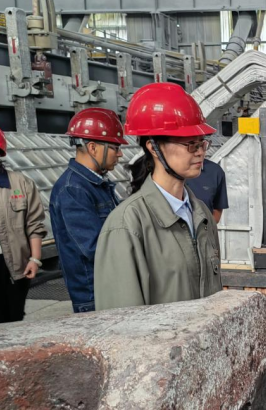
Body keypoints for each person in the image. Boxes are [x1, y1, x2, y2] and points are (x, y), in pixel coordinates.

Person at [94, 83, 222, 310]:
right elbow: (121, 320)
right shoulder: (127, 224)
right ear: (153, 148)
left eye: (202, 143)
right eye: (191, 144)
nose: (201, 152)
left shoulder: (201, 214)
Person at [49, 108, 126, 313]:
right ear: (92, 148)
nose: (120, 154)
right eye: (115, 147)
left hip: (108, 286)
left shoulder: (95, 184)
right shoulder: (73, 189)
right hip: (95, 294)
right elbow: (95, 247)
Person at [0, 125, 46, 323]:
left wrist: (35, 259)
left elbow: (34, 224)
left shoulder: (20, 183)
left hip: (15, 265)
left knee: (14, 318)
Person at [187, 158, 229, 223]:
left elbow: (217, 210)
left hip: (204, 227)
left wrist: (206, 227)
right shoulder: (171, 170)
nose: (199, 153)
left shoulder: (215, 171)